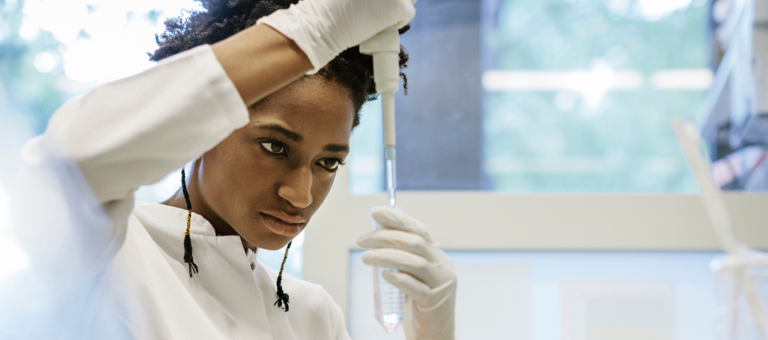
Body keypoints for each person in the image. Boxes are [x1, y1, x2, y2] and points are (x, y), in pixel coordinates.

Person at [17, 0, 457, 339]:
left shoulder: (311, 316)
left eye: (328, 163)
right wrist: (311, 33)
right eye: (274, 146)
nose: (301, 195)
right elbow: (69, 158)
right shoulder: (110, 251)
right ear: (204, 126)